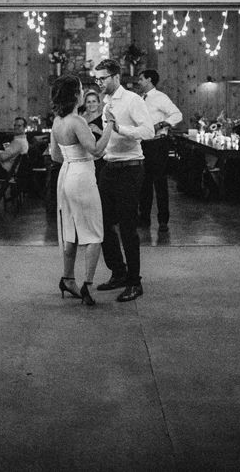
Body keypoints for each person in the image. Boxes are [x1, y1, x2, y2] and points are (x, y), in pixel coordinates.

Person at [49, 75, 113, 306]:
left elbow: (55, 155)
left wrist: (72, 155)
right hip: (82, 176)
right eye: (80, 89)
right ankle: (87, 284)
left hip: (65, 175)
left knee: (71, 231)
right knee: (94, 232)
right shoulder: (77, 122)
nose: (83, 92)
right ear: (75, 95)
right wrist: (110, 127)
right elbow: (96, 150)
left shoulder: (57, 121)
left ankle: (67, 278)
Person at [94, 59, 154, 302]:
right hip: (109, 166)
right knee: (103, 224)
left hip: (130, 168)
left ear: (116, 77)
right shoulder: (106, 102)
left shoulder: (132, 100)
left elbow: (148, 131)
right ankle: (118, 272)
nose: (99, 82)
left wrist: (122, 129)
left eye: (103, 78)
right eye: (97, 78)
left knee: (128, 226)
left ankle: (134, 282)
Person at [137, 69, 183, 232]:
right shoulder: (140, 98)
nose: (139, 81)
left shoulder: (160, 98)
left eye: (141, 79)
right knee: (144, 183)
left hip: (158, 144)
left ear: (149, 80)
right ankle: (144, 218)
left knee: (160, 182)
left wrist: (161, 125)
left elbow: (177, 115)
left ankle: (163, 220)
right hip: (144, 144)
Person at [81, 89, 105, 180]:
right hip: (87, 159)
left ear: (99, 103)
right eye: (88, 102)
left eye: (94, 101)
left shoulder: (105, 118)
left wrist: (98, 130)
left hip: (103, 158)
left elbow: (112, 138)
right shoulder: (81, 120)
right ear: (85, 104)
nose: (91, 104)